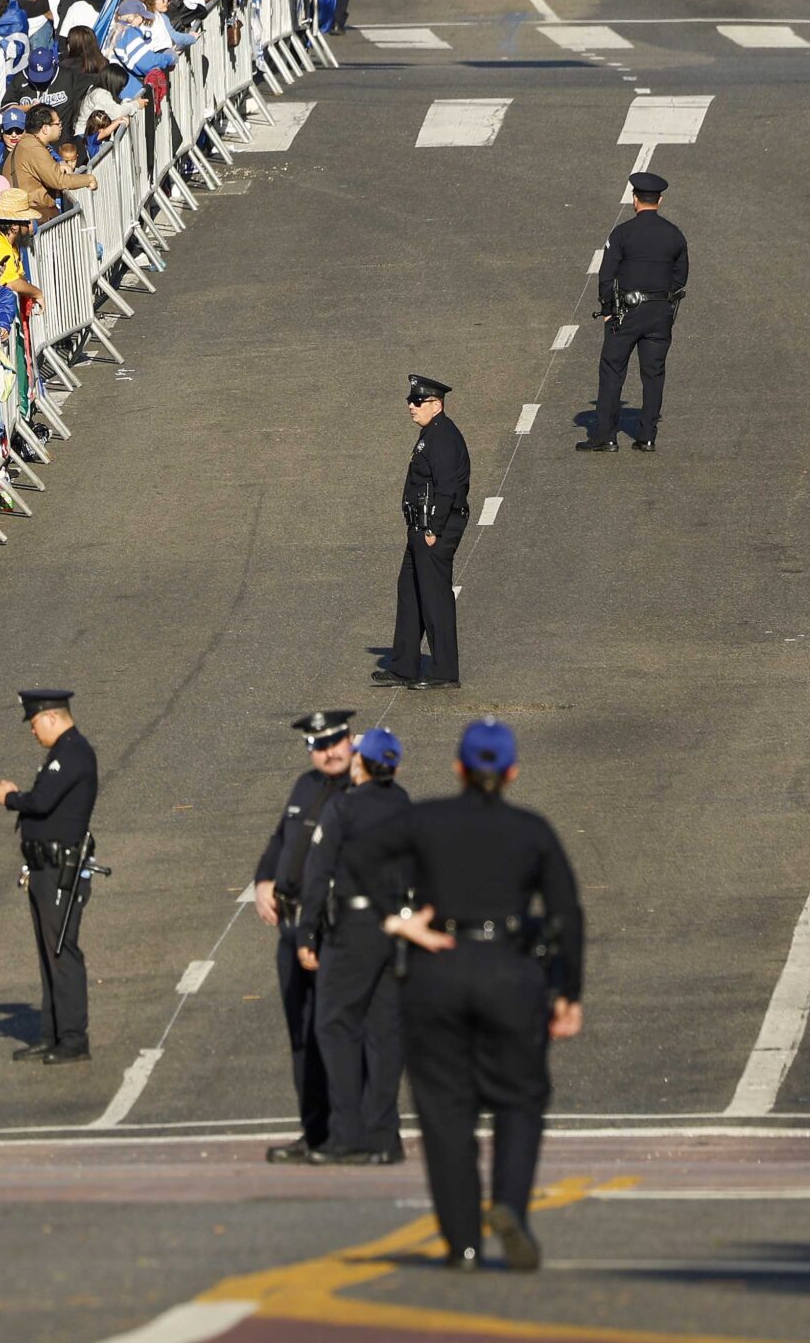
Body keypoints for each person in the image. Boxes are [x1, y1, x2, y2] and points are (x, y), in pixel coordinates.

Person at [347, 719, 584, 1271]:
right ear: (511, 772)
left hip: (438, 968)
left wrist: (400, 919)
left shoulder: (427, 819)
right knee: (520, 1098)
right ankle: (509, 1206)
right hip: (509, 968)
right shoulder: (532, 831)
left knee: (443, 1110)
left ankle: (462, 1243)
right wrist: (568, 991)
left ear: (458, 768)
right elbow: (566, 912)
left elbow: (358, 855)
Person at [298, 727, 415, 1165]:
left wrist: (308, 932)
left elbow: (317, 872)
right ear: (396, 766)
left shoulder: (343, 808)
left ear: (360, 764)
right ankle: (385, 1135)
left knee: (336, 1025)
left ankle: (347, 1133)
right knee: (385, 1032)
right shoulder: (404, 806)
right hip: (397, 926)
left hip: (353, 928)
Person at [253, 709, 357, 1165]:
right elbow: (281, 840)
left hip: (337, 931)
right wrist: (262, 881)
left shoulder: (363, 791)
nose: (330, 752)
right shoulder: (304, 787)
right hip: (293, 926)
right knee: (302, 1033)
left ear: (351, 740)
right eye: (319, 745)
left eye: (336, 742)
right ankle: (314, 1131)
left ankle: (346, 1131)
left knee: (337, 1033)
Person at [0, 689, 99, 1064]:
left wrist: (11, 798)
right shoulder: (62, 753)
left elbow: (42, 801)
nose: (33, 732)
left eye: (35, 724)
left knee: (62, 951)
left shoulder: (72, 752)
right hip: (43, 868)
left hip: (60, 871)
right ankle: (51, 1035)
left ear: (51, 717)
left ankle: (72, 1039)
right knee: (50, 954)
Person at [578, 171, 687, 454]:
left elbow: (606, 275)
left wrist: (606, 309)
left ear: (634, 199)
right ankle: (647, 436)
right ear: (660, 200)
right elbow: (680, 276)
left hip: (625, 312)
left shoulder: (622, 233)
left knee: (613, 370)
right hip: (660, 313)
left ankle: (605, 436)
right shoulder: (674, 235)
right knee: (654, 373)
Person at [378, 375, 468, 690]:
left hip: (433, 528)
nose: (411, 406)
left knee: (435, 597)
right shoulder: (432, 434)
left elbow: (447, 487)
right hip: (421, 526)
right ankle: (404, 666)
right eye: (410, 401)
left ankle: (444, 671)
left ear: (436, 404)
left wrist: (434, 529)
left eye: (418, 402)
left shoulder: (442, 437)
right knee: (411, 592)